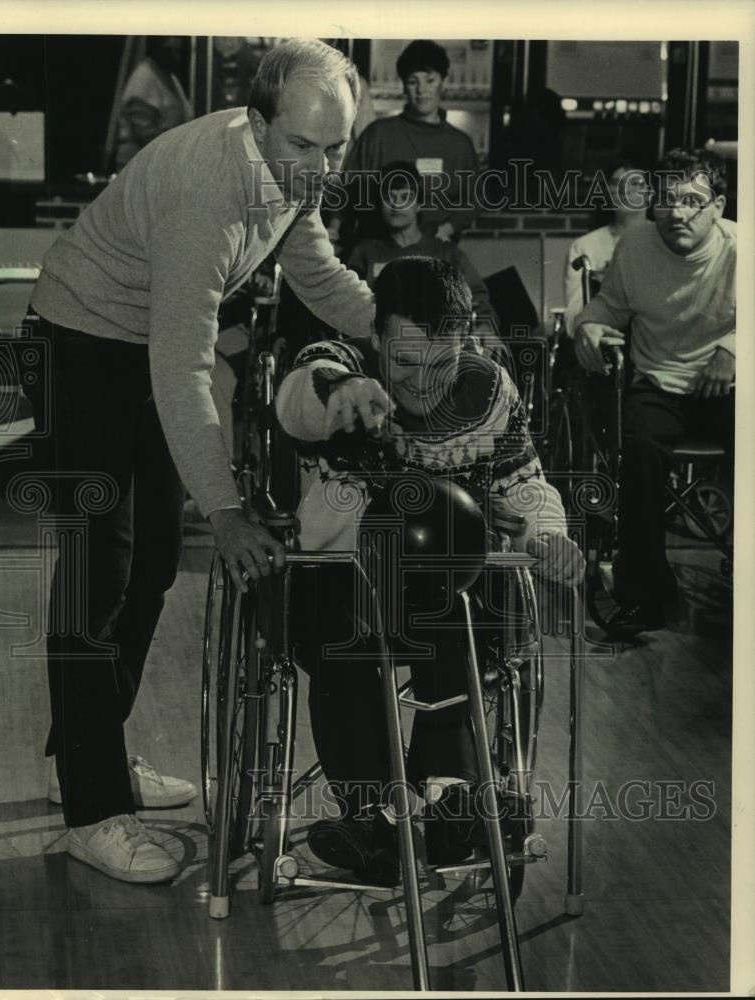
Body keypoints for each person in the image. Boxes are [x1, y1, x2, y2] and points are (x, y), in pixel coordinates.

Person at [22, 38, 376, 884]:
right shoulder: (207, 191)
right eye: (303, 148)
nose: (321, 170)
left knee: (148, 571)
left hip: (137, 344)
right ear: (258, 125)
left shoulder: (293, 175)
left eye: (337, 150)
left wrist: (399, 330)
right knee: (99, 572)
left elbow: (316, 273)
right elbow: (185, 367)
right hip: (80, 342)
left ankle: (91, 748)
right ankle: (93, 809)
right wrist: (222, 509)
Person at [275, 256, 584, 883]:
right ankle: (370, 823)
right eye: (406, 362)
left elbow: (524, 486)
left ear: (466, 341)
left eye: (441, 363)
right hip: (347, 584)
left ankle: (455, 804)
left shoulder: (489, 386)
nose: (421, 384)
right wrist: (338, 388)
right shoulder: (340, 365)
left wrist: (551, 536)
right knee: (347, 641)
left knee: (465, 617)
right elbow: (295, 402)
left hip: (452, 589)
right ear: (378, 335)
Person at [574, 148, 735, 635]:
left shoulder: (741, 250)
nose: (677, 213)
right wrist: (588, 327)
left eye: (693, 200)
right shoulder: (637, 247)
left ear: (719, 206)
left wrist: (733, 349)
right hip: (660, 383)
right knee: (638, 450)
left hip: (727, 386)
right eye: (666, 200)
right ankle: (642, 595)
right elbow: (609, 305)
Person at [329, 40, 480, 249]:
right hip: (378, 251)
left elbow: (472, 201)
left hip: (435, 251)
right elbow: (348, 191)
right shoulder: (378, 134)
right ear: (403, 86)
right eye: (413, 81)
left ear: (443, 82)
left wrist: (449, 229)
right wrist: (334, 230)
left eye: (430, 80)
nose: (422, 90)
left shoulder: (459, 145)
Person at [345, 160, 495, 325]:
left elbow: (477, 296)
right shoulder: (365, 252)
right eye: (389, 197)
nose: (396, 204)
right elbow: (345, 300)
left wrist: (485, 327)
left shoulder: (445, 253)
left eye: (405, 197)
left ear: (419, 205)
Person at [563, 159, 650, 336]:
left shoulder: (667, 239)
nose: (624, 190)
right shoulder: (584, 246)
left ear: (651, 192)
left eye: (635, 183)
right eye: (616, 183)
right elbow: (573, 318)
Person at [114, 37, 194, 170]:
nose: (177, 57)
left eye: (179, 51)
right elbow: (144, 135)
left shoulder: (170, 77)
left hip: (160, 164)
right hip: (137, 167)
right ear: (158, 49)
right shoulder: (143, 79)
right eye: (171, 51)